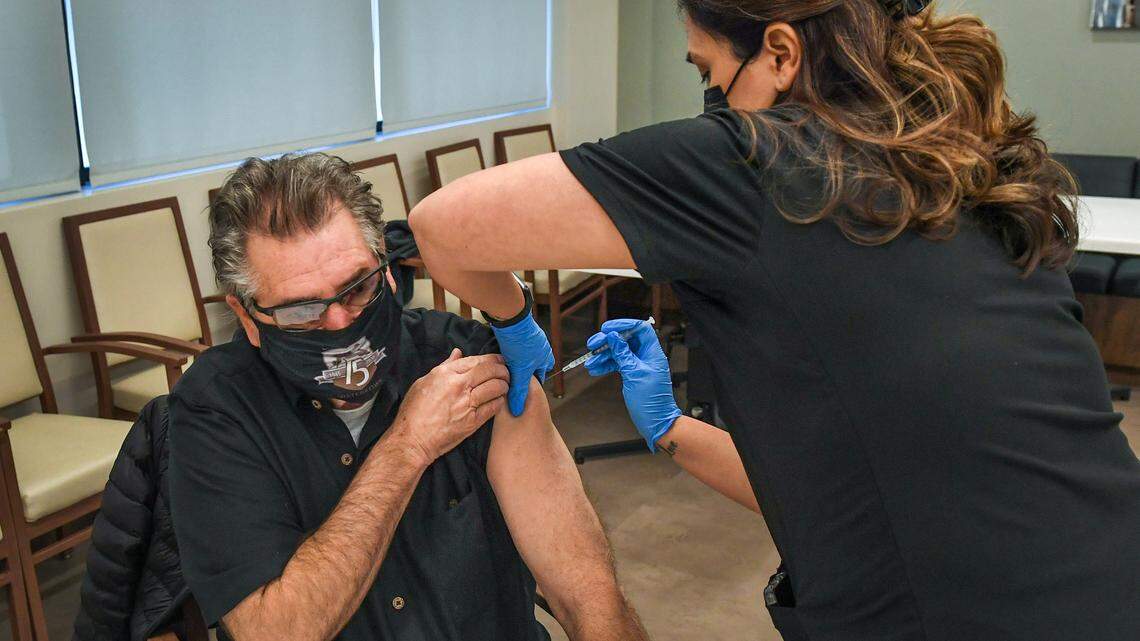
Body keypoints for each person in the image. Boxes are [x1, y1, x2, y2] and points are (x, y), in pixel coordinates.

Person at [408, 1, 1140, 639]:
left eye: (708, 75)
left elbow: (440, 227)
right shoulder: (959, 166)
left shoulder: (765, 163)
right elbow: (854, 487)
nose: (711, 101)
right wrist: (670, 428)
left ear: (782, 53)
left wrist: (513, 320)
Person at [167, 153, 648, 641]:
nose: (340, 323)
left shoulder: (464, 360)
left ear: (387, 267)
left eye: (356, 287)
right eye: (302, 311)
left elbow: (588, 594)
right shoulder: (217, 410)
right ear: (247, 316)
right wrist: (406, 447)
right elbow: (276, 632)